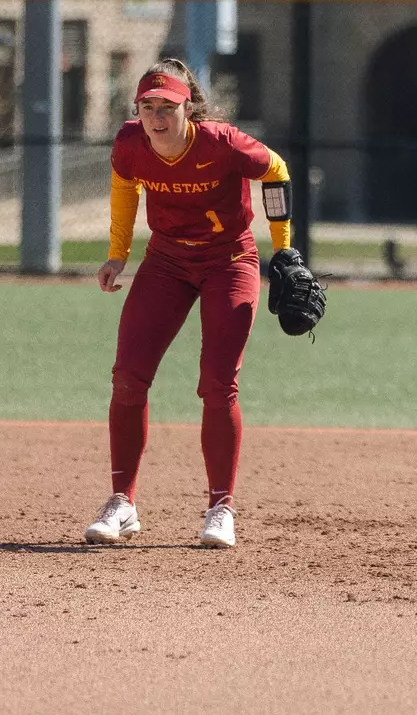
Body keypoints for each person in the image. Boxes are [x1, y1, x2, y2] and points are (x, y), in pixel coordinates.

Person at [84, 59, 308, 550]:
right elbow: (124, 187)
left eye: (168, 106)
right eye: (148, 107)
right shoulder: (129, 144)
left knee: (217, 384)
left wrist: (284, 247)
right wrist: (117, 255)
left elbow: (276, 170)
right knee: (128, 376)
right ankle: (122, 502)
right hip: (165, 262)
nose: (157, 117)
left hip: (229, 261)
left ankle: (221, 508)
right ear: (137, 111)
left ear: (190, 108)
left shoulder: (220, 142)